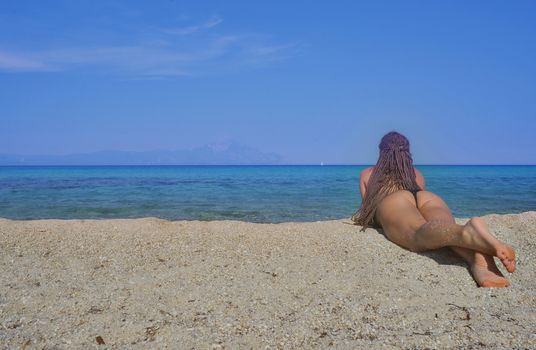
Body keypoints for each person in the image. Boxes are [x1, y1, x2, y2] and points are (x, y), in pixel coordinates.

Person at [351, 131, 515, 287]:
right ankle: (478, 259)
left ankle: (469, 232)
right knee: (444, 231)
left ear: (381, 152)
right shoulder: (417, 174)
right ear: (407, 152)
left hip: (394, 201)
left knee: (418, 233)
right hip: (427, 197)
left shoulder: (368, 173)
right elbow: (417, 206)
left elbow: (368, 209)